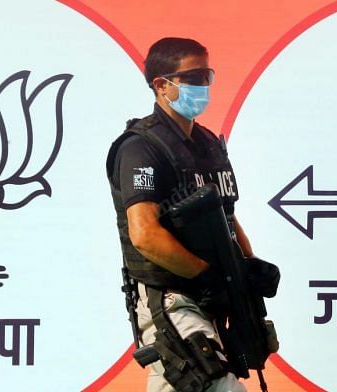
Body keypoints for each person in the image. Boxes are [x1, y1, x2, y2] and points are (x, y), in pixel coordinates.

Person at [106, 37, 251, 391]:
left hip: (211, 298)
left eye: (207, 76)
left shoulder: (206, 145)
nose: (203, 85)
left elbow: (227, 218)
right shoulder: (141, 147)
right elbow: (145, 234)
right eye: (193, 77)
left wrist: (248, 268)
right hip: (172, 298)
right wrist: (207, 276)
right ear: (161, 85)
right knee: (214, 385)